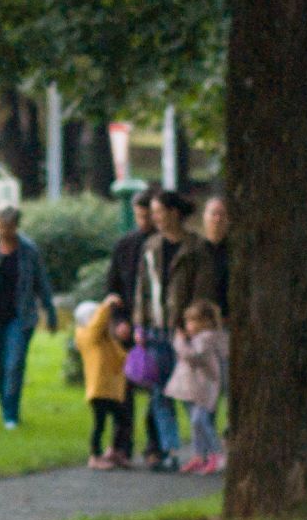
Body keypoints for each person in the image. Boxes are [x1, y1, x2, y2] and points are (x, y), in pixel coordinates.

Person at [0, 202, 59, 430]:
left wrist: (50, 312)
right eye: (0, 225)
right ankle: (5, 405)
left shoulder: (28, 249)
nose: (4, 230)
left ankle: (11, 415)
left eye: (9, 226)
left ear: (16, 225)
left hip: (20, 316)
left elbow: (41, 282)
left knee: (14, 365)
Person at [133, 191, 194, 469]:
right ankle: (170, 451)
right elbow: (142, 289)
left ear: (174, 213)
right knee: (160, 394)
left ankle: (203, 449)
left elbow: (202, 290)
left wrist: (192, 325)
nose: (154, 217)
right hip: (156, 331)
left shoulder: (195, 247)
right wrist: (139, 324)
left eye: (158, 211)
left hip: (185, 332)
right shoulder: (151, 246)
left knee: (190, 392)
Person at [168, 300, 229, 475]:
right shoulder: (199, 338)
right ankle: (199, 455)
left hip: (205, 387)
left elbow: (194, 357)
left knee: (200, 420)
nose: (187, 325)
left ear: (204, 322)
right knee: (196, 423)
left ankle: (216, 454)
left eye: (191, 321)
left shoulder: (206, 338)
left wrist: (179, 342)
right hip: (195, 386)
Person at [75, 296, 134, 469]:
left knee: (124, 419)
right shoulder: (87, 336)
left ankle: (114, 450)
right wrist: (106, 305)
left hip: (111, 389)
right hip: (99, 389)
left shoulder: (106, 339)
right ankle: (95, 455)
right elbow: (97, 325)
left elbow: (119, 356)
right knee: (99, 424)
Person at [106, 184, 161, 304]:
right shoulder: (124, 244)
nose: (143, 222)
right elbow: (113, 283)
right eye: (139, 216)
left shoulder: (165, 241)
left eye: (148, 217)